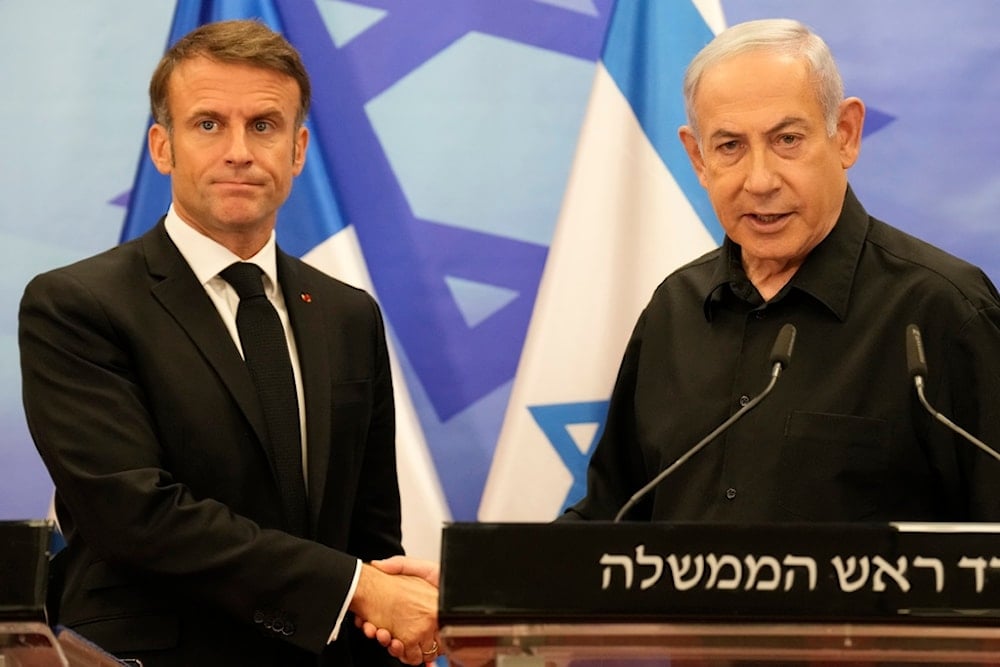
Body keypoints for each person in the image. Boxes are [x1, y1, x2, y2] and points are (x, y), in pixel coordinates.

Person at [19, 19, 439, 667]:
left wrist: (396, 615)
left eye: (264, 125)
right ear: (163, 147)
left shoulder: (348, 315)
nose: (239, 151)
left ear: (298, 150)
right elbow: (134, 517)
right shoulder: (77, 305)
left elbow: (370, 533)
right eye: (209, 124)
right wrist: (359, 590)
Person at [562, 18, 1000, 523]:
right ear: (698, 159)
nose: (760, 180)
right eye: (729, 146)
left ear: (845, 135)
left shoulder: (944, 311)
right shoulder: (674, 309)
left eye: (787, 139)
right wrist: (495, 569)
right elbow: (609, 520)